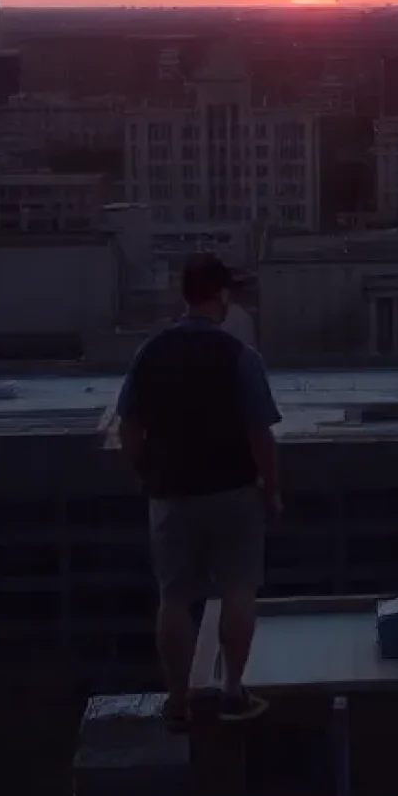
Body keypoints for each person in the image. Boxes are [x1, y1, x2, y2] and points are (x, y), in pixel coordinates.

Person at [115, 254, 282, 730]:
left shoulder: (150, 352)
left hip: (170, 492)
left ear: (184, 297)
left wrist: (148, 472)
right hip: (232, 490)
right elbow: (260, 435)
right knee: (237, 589)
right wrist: (272, 491)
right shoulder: (240, 357)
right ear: (222, 297)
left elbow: (128, 427)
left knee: (173, 597)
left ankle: (179, 700)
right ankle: (231, 692)